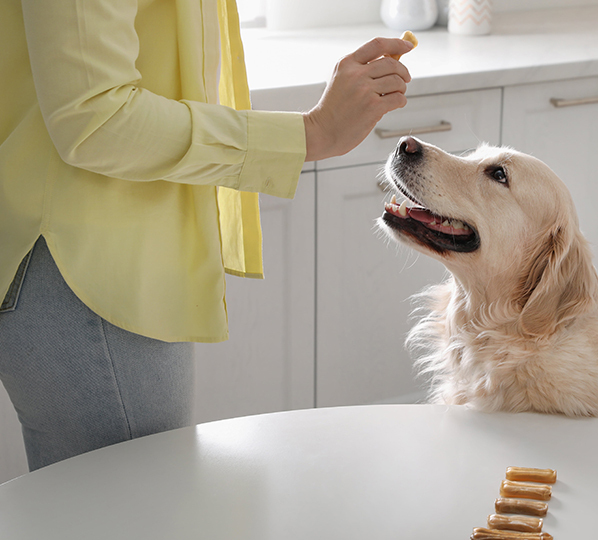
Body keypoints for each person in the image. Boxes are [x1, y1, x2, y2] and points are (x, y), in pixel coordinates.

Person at [0, 0, 414, 472]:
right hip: (85, 263)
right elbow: (95, 119)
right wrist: (310, 133)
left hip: (99, 254)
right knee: (133, 509)